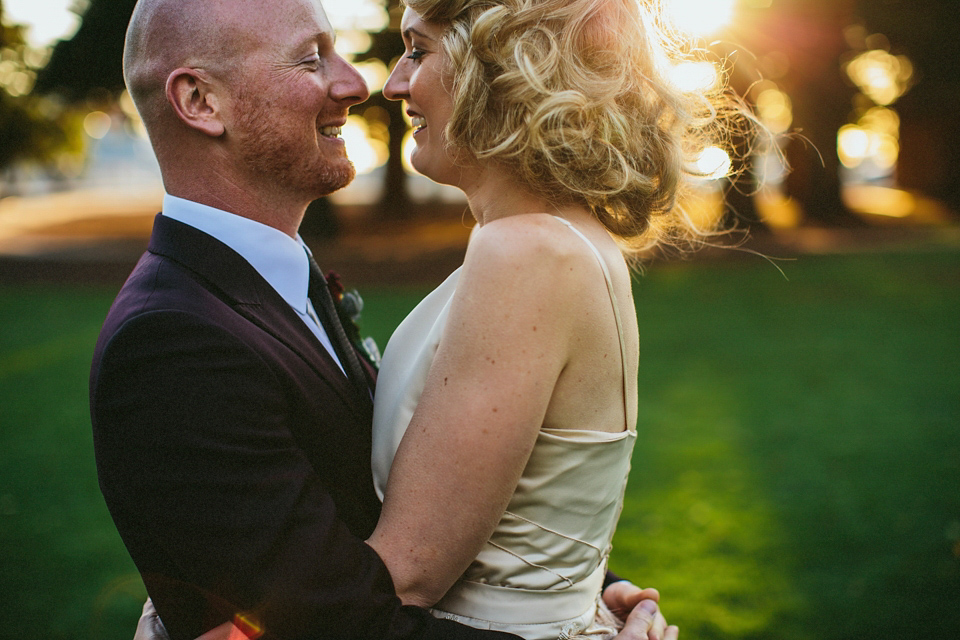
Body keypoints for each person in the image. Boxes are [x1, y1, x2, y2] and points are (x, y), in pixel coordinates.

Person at [94, 0, 671, 638]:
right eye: (312, 59)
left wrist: (582, 590)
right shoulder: (173, 342)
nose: (364, 84)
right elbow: (329, 618)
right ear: (201, 101)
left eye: (416, 51)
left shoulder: (298, 284)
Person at [353, 0, 735, 637]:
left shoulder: (526, 252)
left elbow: (408, 574)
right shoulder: (563, 241)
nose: (392, 84)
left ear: (503, 65)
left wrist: (216, 625)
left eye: (418, 51)